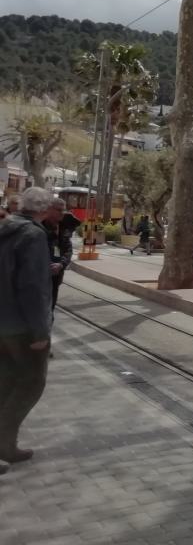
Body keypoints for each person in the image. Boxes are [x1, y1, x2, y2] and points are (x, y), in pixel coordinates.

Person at [0, 187, 56, 471]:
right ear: (44, 210)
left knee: (7, 382)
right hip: (22, 326)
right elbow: (32, 289)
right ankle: (4, 444)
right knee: (32, 383)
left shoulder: (5, 227)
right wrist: (40, 333)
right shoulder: (33, 235)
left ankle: (6, 446)